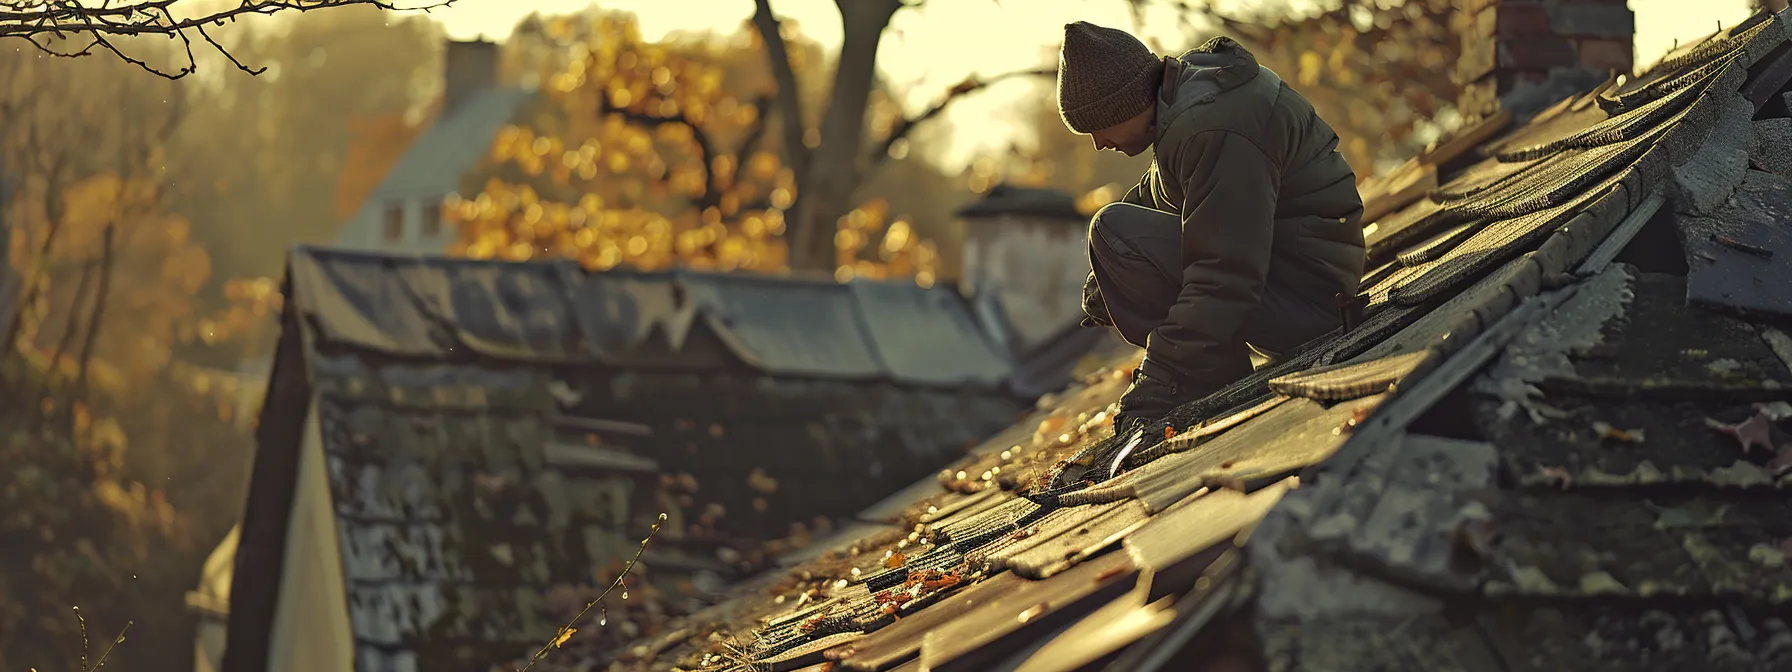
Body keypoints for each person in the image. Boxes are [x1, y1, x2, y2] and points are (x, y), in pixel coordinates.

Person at [1057, 22, 1366, 436]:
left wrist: (1160, 373)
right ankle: (1202, 368)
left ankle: (1194, 378)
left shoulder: (1211, 127)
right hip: (1301, 284)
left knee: (1110, 229)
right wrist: (1109, 273)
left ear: (1124, 105)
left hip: (1308, 304)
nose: (1097, 142)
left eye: (1097, 125)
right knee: (1115, 236)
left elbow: (1225, 274)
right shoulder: (1191, 102)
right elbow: (1161, 192)